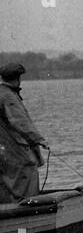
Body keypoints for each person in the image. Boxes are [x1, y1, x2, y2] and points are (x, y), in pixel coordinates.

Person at [0, 62, 48, 202]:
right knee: (28, 166)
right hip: (9, 144)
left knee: (5, 175)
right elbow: (19, 121)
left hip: (2, 147)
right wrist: (39, 139)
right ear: (18, 78)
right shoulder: (8, 96)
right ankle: (26, 204)